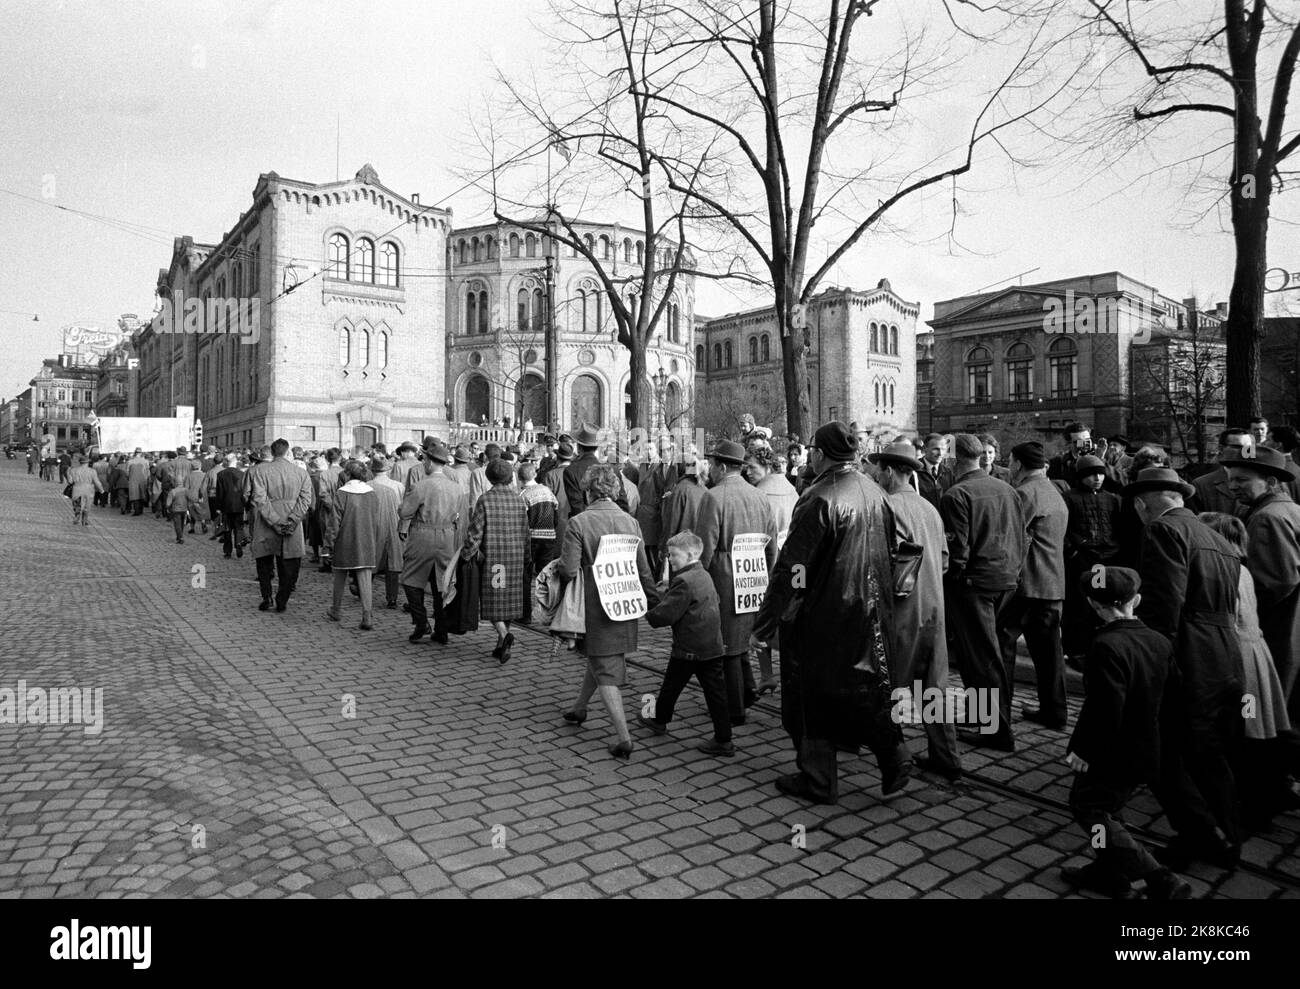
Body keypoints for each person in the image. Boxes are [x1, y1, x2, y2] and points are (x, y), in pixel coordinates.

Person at [752, 421, 910, 804]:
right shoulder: (874, 490)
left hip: (825, 613)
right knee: (867, 689)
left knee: (810, 696)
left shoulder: (819, 496)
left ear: (820, 454)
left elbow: (796, 566)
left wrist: (769, 619)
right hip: (870, 611)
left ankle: (819, 779)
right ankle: (894, 755)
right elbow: (891, 550)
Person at [1127, 466, 1245, 869]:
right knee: (1208, 754)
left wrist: (1147, 664)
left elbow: (1163, 608)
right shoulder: (1218, 537)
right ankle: (1228, 836)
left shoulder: (1162, 531)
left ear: (1143, 505)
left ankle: (1201, 836)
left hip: (1186, 657)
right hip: (1224, 656)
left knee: (1160, 753)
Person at [1059, 567, 1192, 900]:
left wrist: (1083, 751)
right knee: (1109, 809)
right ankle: (1108, 872)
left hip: (1112, 751)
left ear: (1092, 603)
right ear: (1137, 600)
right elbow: (1175, 696)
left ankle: (1158, 876)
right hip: (1147, 747)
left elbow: (1104, 708)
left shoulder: (1106, 645)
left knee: (1089, 808)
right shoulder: (1159, 641)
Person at [870, 440, 961, 781]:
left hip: (901, 610)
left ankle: (895, 756)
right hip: (934, 608)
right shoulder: (929, 509)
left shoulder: (887, 507)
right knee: (933, 685)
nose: (876, 474)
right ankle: (947, 755)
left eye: (879, 469)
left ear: (890, 471)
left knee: (887, 684)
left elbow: (879, 564)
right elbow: (945, 561)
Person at [1198, 512, 1295, 831]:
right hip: (1256, 653)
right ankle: (1264, 794)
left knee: (1244, 728)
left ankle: (1251, 802)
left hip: (1240, 657)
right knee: (1256, 725)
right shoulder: (1243, 570)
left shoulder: (1224, 572)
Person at [558, 463, 659, 760]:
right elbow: (644, 570)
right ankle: (579, 708)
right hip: (624, 601)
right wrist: (654, 604)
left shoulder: (579, 522)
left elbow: (568, 569)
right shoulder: (631, 522)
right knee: (603, 658)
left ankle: (624, 737)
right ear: (615, 490)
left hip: (595, 603)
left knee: (605, 667)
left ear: (589, 490)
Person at [940, 433, 1026, 752]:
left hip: (975, 586)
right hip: (1006, 581)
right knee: (992, 655)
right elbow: (1021, 536)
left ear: (954, 459)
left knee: (980, 660)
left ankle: (996, 729)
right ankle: (985, 717)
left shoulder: (956, 494)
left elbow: (957, 553)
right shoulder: (1007, 489)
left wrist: (953, 583)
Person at [696, 439, 779, 724]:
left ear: (720, 466)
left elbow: (705, 548)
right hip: (754, 574)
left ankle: (734, 710)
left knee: (728, 645)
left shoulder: (714, 496)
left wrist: (699, 584)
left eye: (711, 464)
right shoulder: (759, 495)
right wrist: (768, 577)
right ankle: (746, 690)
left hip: (726, 576)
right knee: (742, 635)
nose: (709, 468)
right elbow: (772, 545)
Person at [638, 530, 734, 756]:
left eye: (673, 555)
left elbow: (665, 615)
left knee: (672, 685)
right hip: (711, 645)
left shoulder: (683, 580)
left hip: (689, 648)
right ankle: (724, 738)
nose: (669, 559)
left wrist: (647, 610)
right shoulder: (704, 574)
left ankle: (658, 719)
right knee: (716, 693)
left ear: (690, 555)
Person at [1226, 446, 1300, 733]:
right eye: (1231, 479)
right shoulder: (1290, 509)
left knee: (1273, 698)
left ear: (1270, 482)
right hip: (1292, 619)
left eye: (1242, 480)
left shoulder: (1267, 517)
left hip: (1280, 624)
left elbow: (1274, 582)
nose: (1233, 486)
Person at [998, 440, 1069, 732]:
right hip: (1053, 585)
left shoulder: (1024, 493)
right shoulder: (1055, 491)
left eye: (1011, 462)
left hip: (1026, 585)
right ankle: (1055, 712)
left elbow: (1012, 541)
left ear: (1018, 464)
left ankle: (995, 720)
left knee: (999, 648)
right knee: (1049, 653)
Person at [399, 440, 467, 646]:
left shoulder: (420, 486)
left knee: (410, 579)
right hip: (447, 535)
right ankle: (441, 629)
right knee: (442, 584)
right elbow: (461, 517)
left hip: (423, 534)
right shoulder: (456, 488)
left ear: (429, 462)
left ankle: (421, 621)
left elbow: (404, 512)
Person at [462, 457, 529, 664]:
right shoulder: (518, 499)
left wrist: (467, 554)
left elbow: (475, 533)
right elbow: (526, 532)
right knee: (508, 601)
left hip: (495, 561)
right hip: (515, 558)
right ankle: (501, 644)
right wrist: (527, 557)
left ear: (489, 477)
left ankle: (505, 635)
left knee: (492, 602)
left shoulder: (485, 499)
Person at [743, 445, 798, 696]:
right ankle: (779, 676)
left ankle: (767, 674)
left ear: (766, 466)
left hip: (764, 565)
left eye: (752, 467)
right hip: (792, 568)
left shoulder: (758, 494)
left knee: (761, 620)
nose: (748, 471)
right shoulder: (793, 490)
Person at [1062, 454, 1122, 662]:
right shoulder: (1070, 497)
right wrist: (1074, 551)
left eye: (1100, 473)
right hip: (1082, 559)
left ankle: (1099, 647)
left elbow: (1117, 527)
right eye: (1091, 474)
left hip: (1106, 558)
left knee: (1102, 602)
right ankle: (1077, 649)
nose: (1097, 478)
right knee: (1079, 605)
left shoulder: (1112, 499)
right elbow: (1064, 529)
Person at [326, 461, 394, 631]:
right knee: (364, 577)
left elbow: (334, 522)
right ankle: (367, 614)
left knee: (340, 576)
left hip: (345, 539)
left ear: (347, 474)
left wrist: (328, 544)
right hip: (367, 539)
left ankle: (336, 609)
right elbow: (375, 517)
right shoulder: (371, 493)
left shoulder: (342, 493)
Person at [249, 438, 315, 613]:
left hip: (266, 519)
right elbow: (306, 499)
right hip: (291, 518)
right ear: (288, 452)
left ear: (273, 452)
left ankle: (267, 597)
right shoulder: (301, 472)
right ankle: (283, 599)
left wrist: (274, 521)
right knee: (290, 563)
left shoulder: (260, 471)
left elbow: (259, 499)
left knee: (264, 561)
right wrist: (293, 519)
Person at [633, 436, 679, 576]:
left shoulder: (659, 467)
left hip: (654, 512)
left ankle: (655, 575)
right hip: (643, 511)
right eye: (646, 449)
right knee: (644, 548)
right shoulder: (642, 466)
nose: (648, 452)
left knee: (654, 548)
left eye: (651, 449)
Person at [519, 462, 559, 623]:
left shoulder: (524, 495)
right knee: (547, 578)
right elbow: (555, 515)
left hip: (531, 540)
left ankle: (525, 614)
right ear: (534, 474)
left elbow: (522, 521)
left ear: (520, 477)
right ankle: (550, 614)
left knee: (525, 576)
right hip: (549, 538)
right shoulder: (548, 491)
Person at [368, 455, 405, 609]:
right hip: (394, 524)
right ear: (388, 469)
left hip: (373, 525)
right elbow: (403, 507)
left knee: (371, 559)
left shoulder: (368, 485)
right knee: (392, 562)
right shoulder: (398, 486)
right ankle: (392, 598)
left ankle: (364, 590)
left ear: (372, 470)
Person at [1188, 428, 1252, 517]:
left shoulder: (1261, 482)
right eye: (1238, 447)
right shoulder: (1202, 486)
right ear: (1221, 448)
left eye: (1248, 447)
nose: (1245, 452)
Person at [215, 453, 248, 558]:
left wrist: (218, 507)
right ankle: (239, 545)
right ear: (235, 461)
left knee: (227, 528)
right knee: (239, 527)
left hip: (226, 505)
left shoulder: (221, 474)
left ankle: (228, 551)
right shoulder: (242, 474)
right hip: (239, 504)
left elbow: (219, 492)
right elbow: (244, 491)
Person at [1048, 422, 1095, 490]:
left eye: (1087, 440)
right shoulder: (1057, 463)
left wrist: (1099, 460)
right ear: (1068, 443)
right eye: (1079, 442)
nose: (1085, 444)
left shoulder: (1099, 458)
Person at [916, 433, 953, 510]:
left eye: (943, 449)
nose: (940, 453)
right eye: (936, 449)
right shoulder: (914, 471)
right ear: (925, 449)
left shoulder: (948, 473)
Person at [67, 455, 102, 526]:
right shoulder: (92, 471)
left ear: (80, 462)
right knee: (87, 504)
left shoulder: (73, 470)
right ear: (88, 463)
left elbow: (70, 481)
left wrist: (68, 473)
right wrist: (101, 490)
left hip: (77, 488)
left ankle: (77, 516)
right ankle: (85, 519)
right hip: (89, 489)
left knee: (77, 504)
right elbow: (96, 481)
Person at [126, 448, 150, 516]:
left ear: (135, 453)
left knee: (135, 495)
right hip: (143, 480)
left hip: (133, 480)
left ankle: (136, 511)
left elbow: (127, 472)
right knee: (142, 494)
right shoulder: (145, 461)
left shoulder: (130, 461)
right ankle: (141, 510)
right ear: (141, 453)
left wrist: (129, 477)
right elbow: (148, 472)